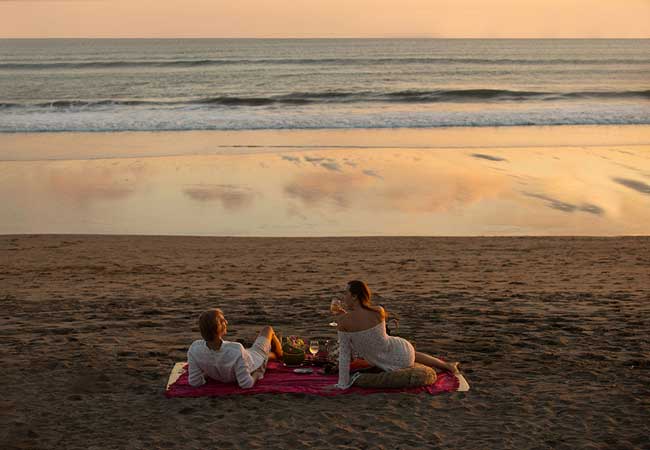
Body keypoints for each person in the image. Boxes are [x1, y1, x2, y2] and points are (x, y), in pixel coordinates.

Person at [333, 280, 461, 389]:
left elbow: (344, 354)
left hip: (387, 359)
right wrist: (346, 316)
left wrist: (342, 384)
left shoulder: (343, 321)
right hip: (403, 352)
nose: (344, 297)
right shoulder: (378, 311)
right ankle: (447, 366)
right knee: (407, 352)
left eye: (346, 293)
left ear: (355, 296)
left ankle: (446, 366)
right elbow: (372, 335)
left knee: (391, 351)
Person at [187, 308, 283, 389]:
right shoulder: (236, 348)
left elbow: (195, 382)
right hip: (253, 360)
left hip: (243, 357)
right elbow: (246, 384)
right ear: (217, 328)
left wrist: (208, 372)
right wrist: (257, 374)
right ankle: (280, 353)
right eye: (222, 321)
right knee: (268, 329)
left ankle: (270, 353)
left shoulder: (194, 348)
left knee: (260, 353)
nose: (226, 322)